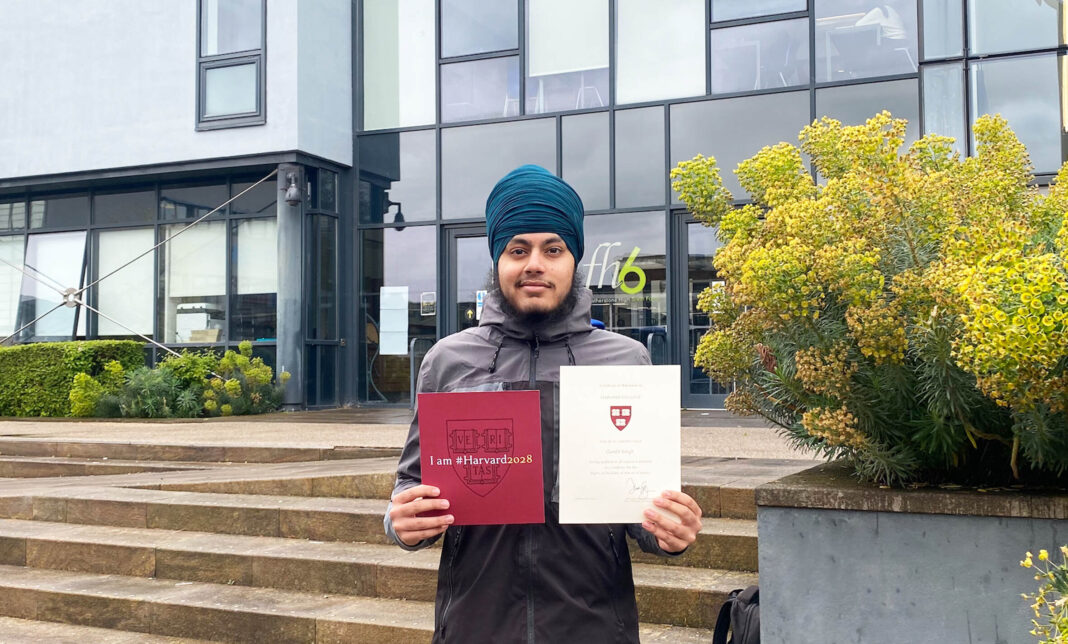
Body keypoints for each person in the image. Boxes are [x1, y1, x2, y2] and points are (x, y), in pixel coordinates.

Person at [384, 164, 703, 644]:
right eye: (518, 249)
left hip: (595, 624)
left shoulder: (626, 360)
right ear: (497, 261)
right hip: (475, 623)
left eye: (553, 249)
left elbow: (642, 501)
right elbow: (413, 482)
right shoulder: (447, 361)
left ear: (574, 260)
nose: (535, 263)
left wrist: (665, 531)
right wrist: (401, 522)